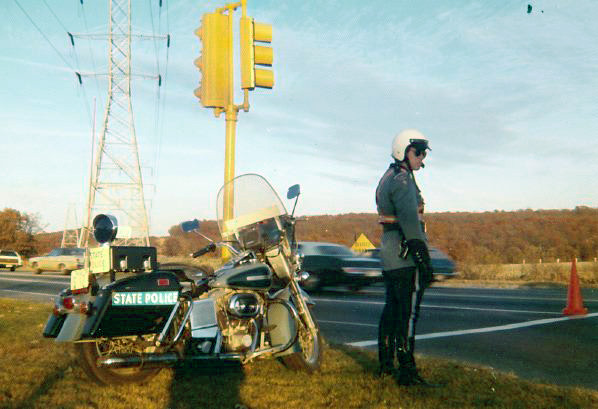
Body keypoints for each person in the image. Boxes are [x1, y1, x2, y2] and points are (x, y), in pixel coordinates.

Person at [375, 128, 436, 386]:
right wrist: (424, 260)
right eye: (419, 152)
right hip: (404, 254)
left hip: (390, 253)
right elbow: (411, 223)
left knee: (392, 310)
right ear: (404, 151)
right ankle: (407, 371)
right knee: (407, 314)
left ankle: (386, 365)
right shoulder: (403, 180)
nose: (422, 158)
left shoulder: (388, 176)